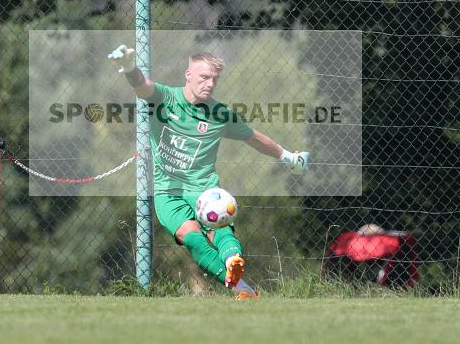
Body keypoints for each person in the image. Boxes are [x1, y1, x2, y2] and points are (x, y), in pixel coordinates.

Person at [108, 46, 309, 299]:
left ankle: (233, 262)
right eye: (204, 77)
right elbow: (143, 86)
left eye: (215, 79)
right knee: (192, 239)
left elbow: (254, 138)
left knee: (221, 229)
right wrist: (129, 69)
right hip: (168, 192)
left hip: (205, 191)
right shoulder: (165, 98)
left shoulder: (220, 115)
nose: (210, 83)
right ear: (188, 75)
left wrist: (289, 157)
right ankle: (242, 287)